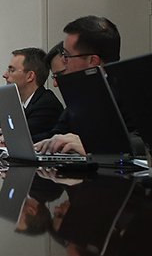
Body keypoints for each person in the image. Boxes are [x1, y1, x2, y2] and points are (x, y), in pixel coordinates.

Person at [35, 15, 122, 155]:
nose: (63, 60)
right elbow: (58, 132)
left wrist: (90, 146)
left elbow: (139, 144)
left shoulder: (128, 92)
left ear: (92, 61)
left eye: (67, 55)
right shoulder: (80, 93)